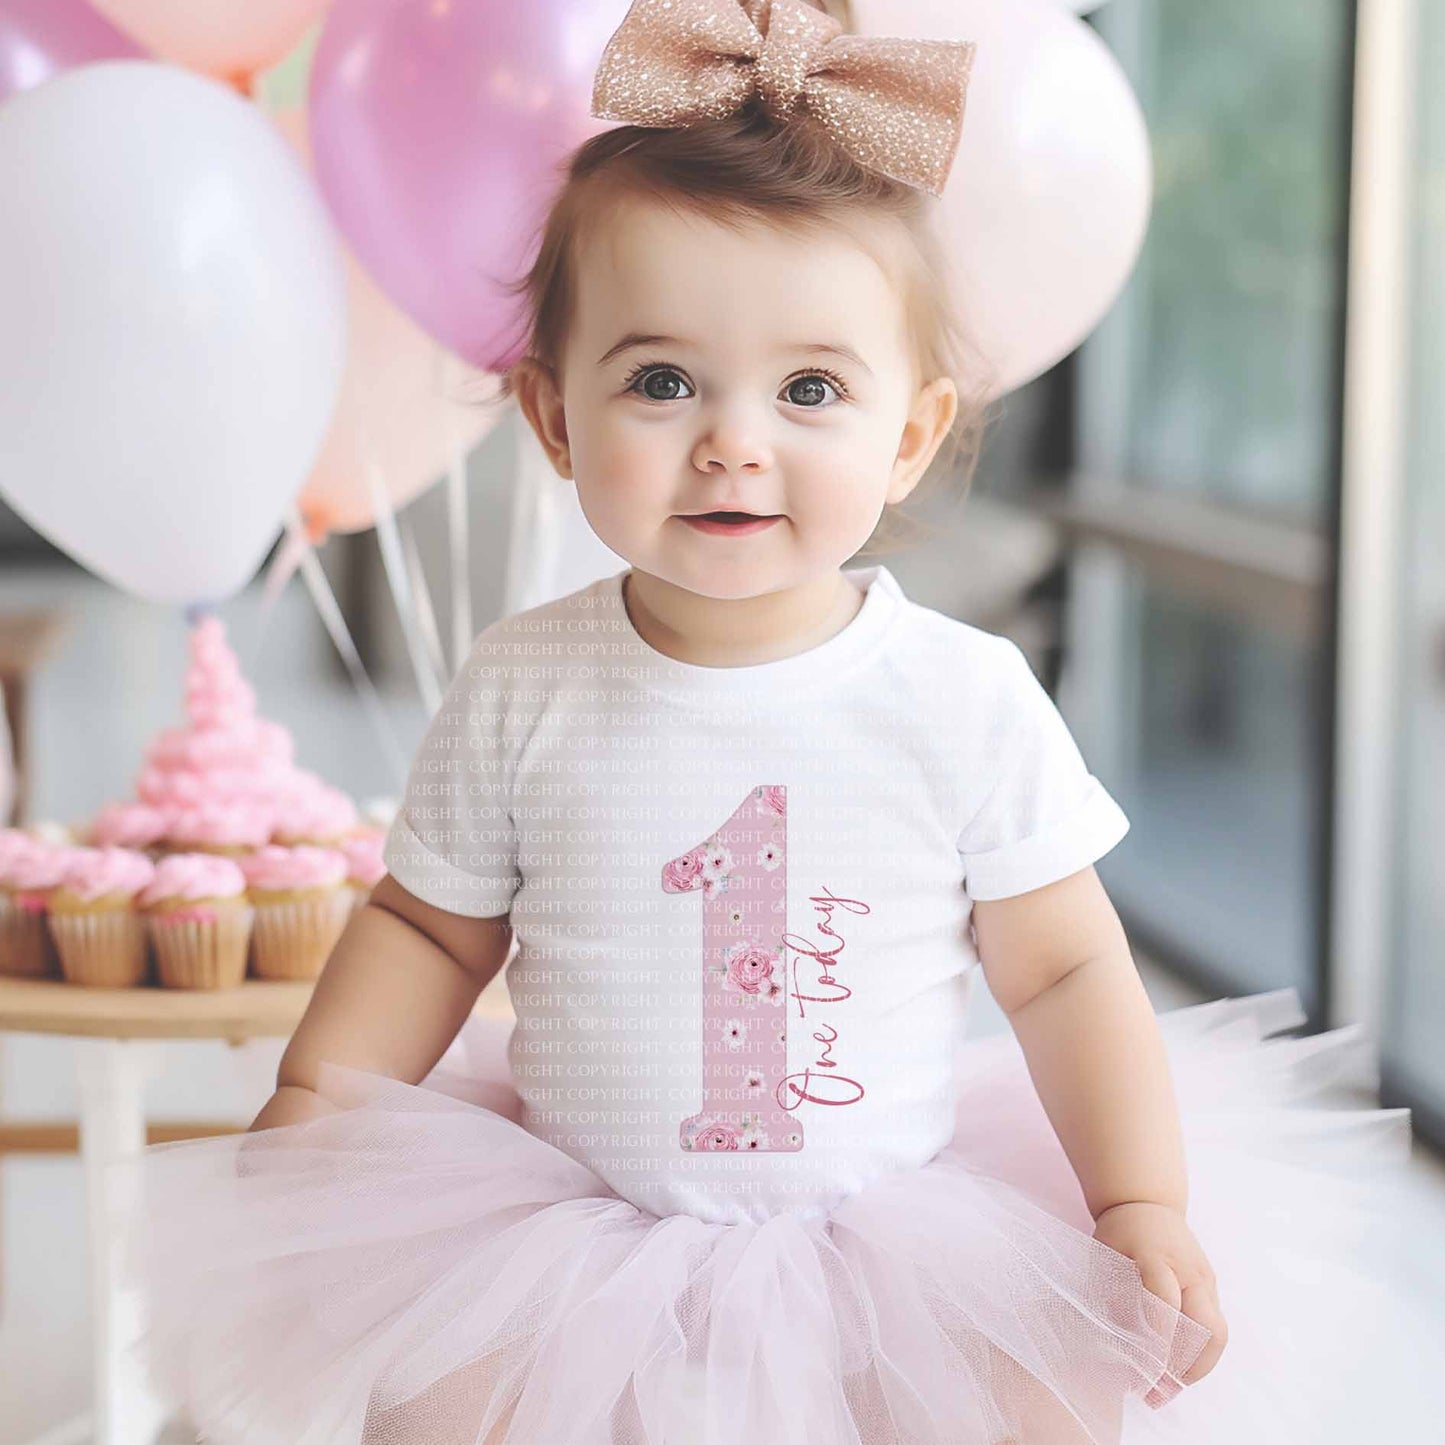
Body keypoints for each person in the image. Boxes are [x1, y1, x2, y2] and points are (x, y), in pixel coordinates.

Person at [114, 2, 1441, 1442]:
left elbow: (1061, 970)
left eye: (811, 388)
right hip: (571, 1208)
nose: (733, 437)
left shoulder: (955, 695)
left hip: (890, 1212)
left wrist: (1137, 1198)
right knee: (441, 1407)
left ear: (911, 431)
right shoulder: (524, 680)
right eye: (661, 380)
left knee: (1029, 1403)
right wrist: (320, 1092)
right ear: (554, 420)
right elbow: (434, 929)